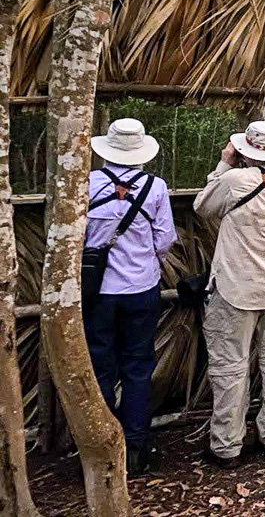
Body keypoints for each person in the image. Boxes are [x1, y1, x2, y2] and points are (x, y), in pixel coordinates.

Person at [193, 121, 265, 467]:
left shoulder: (233, 181)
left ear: (245, 150)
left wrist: (224, 163)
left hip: (236, 290)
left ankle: (227, 445)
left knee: (230, 366)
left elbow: (202, 206)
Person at [84, 118, 177, 476]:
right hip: (141, 288)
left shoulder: (86, 184)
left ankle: (101, 450)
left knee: (100, 367)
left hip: (98, 291)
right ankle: (136, 448)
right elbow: (165, 239)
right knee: (138, 367)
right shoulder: (154, 187)